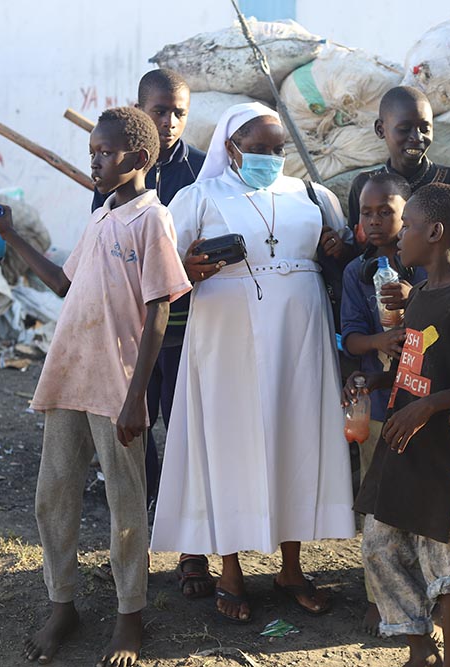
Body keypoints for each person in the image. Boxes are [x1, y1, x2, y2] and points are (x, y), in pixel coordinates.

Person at [0, 107, 191, 667]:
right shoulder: (102, 215)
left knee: (125, 502)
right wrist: (10, 234)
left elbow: (158, 314)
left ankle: (130, 616)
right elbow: (61, 281)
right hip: (68, 373)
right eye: (92, 150)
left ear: (140, 160)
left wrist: (136, 398)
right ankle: (62, 603)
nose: (94, 159)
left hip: (116, 385)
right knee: (54, 494)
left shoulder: (153, 220)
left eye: (105, 152)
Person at [151, 102, 356, 623]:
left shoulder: (313, 195)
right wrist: (189, 268)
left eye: (278, 149)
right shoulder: (198, 196)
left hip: (300, 335)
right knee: (231, 442)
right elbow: (163, 268)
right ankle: (231, 570)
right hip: (226, 334)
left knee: (294, 436)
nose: (270, 157)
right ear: (230, 147)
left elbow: (343, 255)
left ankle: (291, 567)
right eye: (258, 148)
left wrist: (335, 247)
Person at [349, 182, 450, 667]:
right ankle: (421, 651)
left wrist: (427, 408)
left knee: (446, 569)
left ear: (435, 233)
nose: (399, 235)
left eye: (410, 225)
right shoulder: (419, 294)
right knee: (379, 547)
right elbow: (418, 365)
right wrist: (377, 382)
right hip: (407, 453)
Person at [90, 67, 215, 600]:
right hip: (131, 336)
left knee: (186, 437)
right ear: (141, 109)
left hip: (188, 330)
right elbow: (103, 252)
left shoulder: (206, 171)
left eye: (180, 112)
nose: (170, 122)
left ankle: (192, 555)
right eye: (160, 110)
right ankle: (134, 549)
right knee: (136, 442)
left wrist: (187, 264)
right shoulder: (113, 175)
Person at [339, 171, 426, 635]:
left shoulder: (431, 269)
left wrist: (415, 307)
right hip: (378, 408)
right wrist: (382, 339)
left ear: (408, 217)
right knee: (379, 507)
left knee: (424, 502)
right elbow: (351, 338)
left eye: (385, 213)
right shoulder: (358, 272)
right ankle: (378, 596)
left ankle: (433, 589)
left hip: (428, 406)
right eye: (366, 214)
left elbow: (448, 327)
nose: (374, 222)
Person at [346, 86, 450, 259]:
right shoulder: (365, 186)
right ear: (381, 130)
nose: (417, 137)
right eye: (404, 129)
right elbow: (357, 250)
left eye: (425, 129)